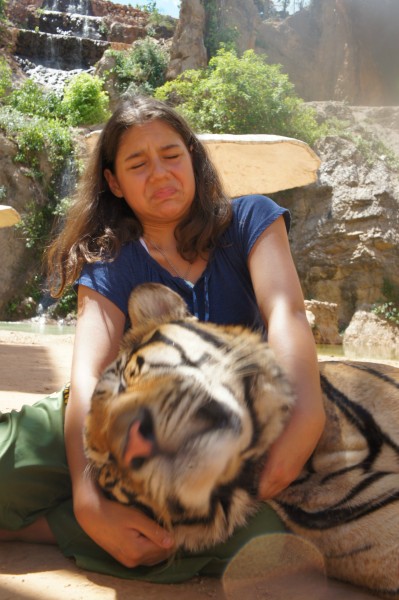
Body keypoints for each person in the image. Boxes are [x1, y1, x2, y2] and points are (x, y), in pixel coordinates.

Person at [0, 95, 325, 582]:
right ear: (114, 182)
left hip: (206, 440)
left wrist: (305, 416)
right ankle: (83, 515)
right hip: (109, 424)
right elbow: (88, 377)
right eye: (137, 163)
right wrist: (89, 500)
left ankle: (45, 526)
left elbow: (286, 312)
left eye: (172, 155)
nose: (159, 173)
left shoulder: (251, 220)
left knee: (259, 539)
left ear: (192, 157)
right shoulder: (109, 257)